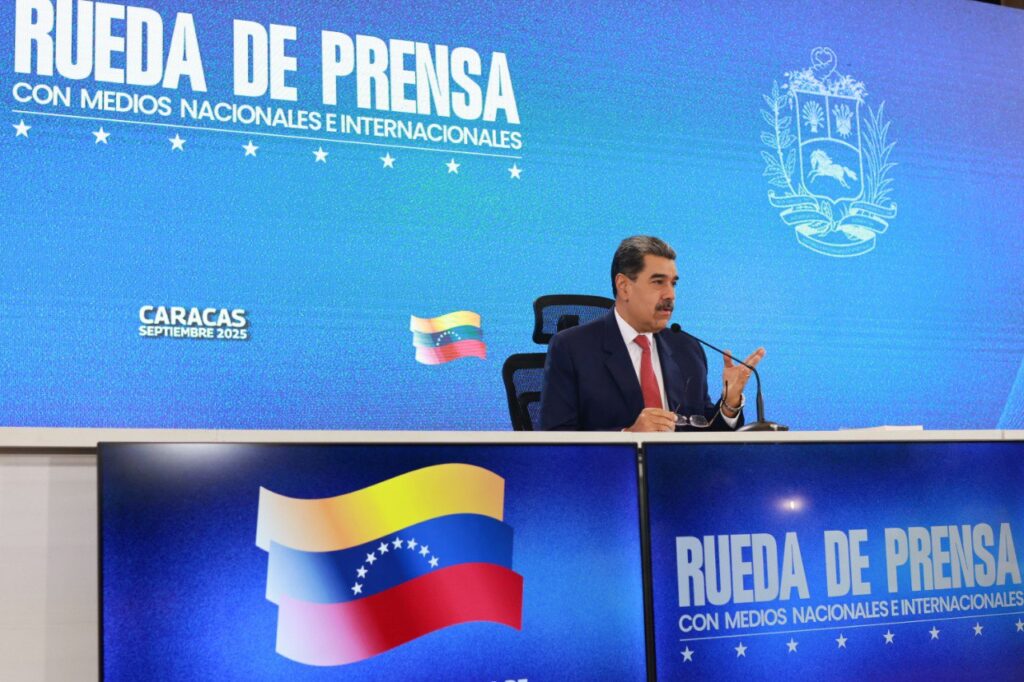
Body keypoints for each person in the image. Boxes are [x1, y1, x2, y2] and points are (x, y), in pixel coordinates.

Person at [539, 236, 765, 432]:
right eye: (658, 282)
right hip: (611, 469)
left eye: (673, 283)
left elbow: (705, 436)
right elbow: (555, 440)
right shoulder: (572, 348)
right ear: (624, 286)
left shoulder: (687, 348)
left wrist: (729, 404)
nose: (670, 294)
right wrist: (628, 437)